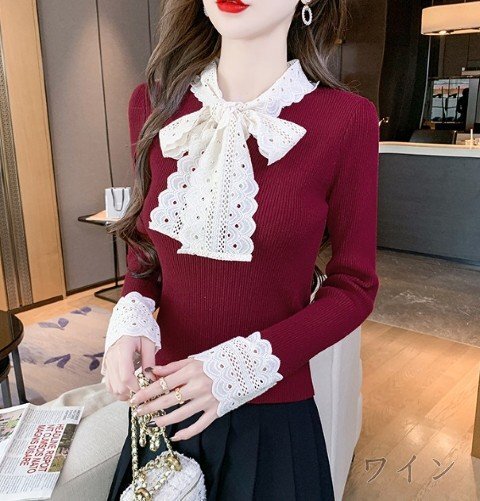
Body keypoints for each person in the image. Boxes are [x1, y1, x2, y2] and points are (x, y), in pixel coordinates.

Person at [103, 0, 380, 499]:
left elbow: (354, 286)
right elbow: (146, 250)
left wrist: (240, 369)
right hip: (166, 405)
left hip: (273, 416)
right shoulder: (153, 103)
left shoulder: (346, 119)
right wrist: (132, 315)